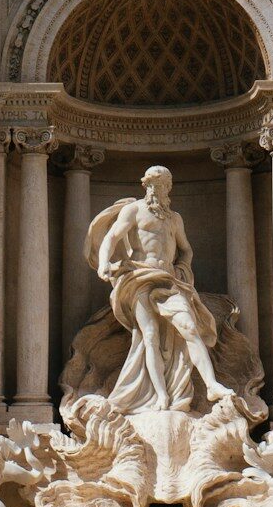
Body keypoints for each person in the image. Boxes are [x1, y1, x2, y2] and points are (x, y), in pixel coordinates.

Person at [87, 165, 233, 412]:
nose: (161, 190)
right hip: (140, 277)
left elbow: (186, 249)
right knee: (150, 336)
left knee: (189, 327)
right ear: (148, 186)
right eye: (156, 185)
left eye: (165, 185)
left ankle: (211, 385)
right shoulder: (134, 210)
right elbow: (111, 238)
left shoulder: (174, 218)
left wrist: (183, 269)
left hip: (169, 280)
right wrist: (103, 262)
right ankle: (161, 397)